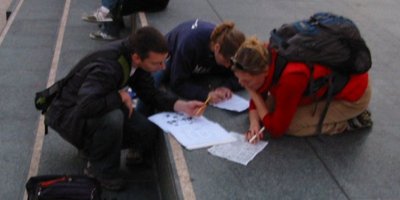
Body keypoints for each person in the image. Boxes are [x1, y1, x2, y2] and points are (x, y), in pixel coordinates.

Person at [44, 26, 204, 190]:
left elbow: (150, 92)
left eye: (165, 60)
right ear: (137, 58)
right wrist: (119, 96)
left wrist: (180, 105)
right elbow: (86, 105)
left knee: (146, 131)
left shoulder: (133, 57)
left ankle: (94, 149)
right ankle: (100, 171)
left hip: (93, 105)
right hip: (67, 115)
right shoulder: (108, 67)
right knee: (113, 119)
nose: (163, 67)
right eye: (157, 63)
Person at [231, 37, 372, 143]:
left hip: (354, 94)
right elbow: (260, 95)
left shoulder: (291, 78)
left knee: (291, 126)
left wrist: (253, 93)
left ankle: (350, 121)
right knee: (267, 111)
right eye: (239, 79)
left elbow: (276, 129)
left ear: (264, 72)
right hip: (318, 84)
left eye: (247, 81)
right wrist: (254, 123)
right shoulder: (263, 54)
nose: (243, 84)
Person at [159, 19, 245, 104]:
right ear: (217, 48)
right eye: (226, 61)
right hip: (172, 55)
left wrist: (226, 86)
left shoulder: (229, 50)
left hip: (202, 61)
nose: (228, 65)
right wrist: (206, 95)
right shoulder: (189, 45)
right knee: (155, 80)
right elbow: (177, 83)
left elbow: (247, 74)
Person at [82, 0, 169, 40]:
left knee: (116, 4)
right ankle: (106, 14)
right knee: (114, 3)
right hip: (157, 2)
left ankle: (109, 28)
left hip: (153, 3)